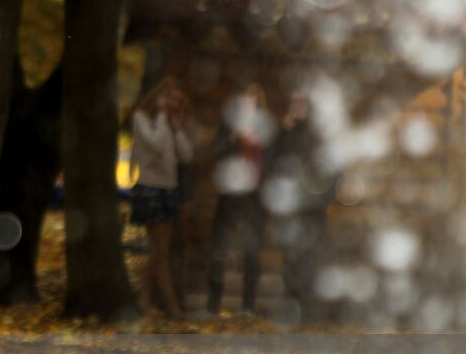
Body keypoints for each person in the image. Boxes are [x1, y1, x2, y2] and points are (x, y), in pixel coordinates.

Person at [264, 91, 336, 323]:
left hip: (313, 208)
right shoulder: (285, 133)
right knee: (290, 257)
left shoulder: (320, 134)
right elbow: (272, 164)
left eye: (301, 102)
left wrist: (324, 197)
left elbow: (333, 168)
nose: (297, 106)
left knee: (309, 256)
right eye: (294, 102)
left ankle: (307, 307)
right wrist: (282, 132)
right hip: (291, 207)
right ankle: (292, 305)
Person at [130, 78, 195, 320]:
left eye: (178, 101)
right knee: (160, 250)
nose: (174, 104)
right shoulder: (141, 118)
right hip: (150, 189)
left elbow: (187, 156)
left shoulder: (169, 124)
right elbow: (156, 145)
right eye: (171, 98)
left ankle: (145, 300)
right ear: (159, 97)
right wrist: (160, 116)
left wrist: (176, 128)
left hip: (169, 190)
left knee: (160, 251)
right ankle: (171, 307)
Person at [207, 82, 272, 314]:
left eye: (253, 102)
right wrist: (233, 138)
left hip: (254, 199)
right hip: (229, 197)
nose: (249, 106)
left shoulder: (265, 130)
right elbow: (213, 151)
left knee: (252, 253)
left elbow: (273, 163)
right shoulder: (228, 128)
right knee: (219, 250)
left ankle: (247, 307)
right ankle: (213, 306)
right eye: (245, 101)